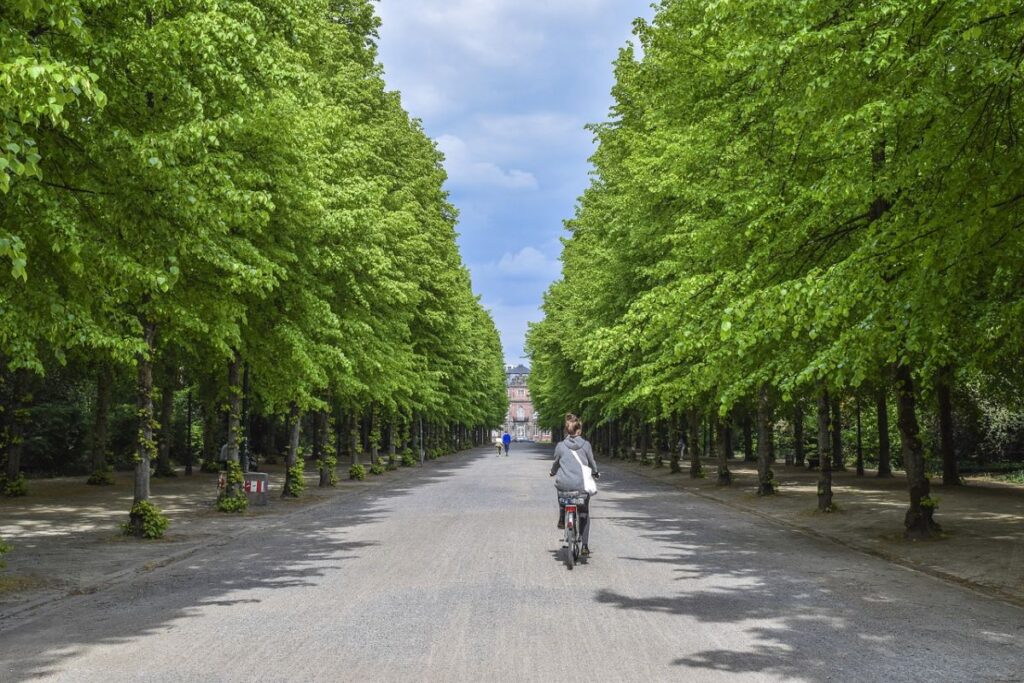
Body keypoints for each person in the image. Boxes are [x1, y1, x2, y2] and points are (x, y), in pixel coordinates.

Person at [549, 413, 599, 556]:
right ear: (580, 430)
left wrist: (553, 472)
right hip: (581, 488)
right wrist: (595, 472)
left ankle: (562, 517)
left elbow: (556, 463)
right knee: (584, 513)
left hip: (564, 487)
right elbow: (592, 463)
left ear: (566, 431)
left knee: (561, 490)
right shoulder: (586, 445)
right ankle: (584, 545)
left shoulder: (560, 446)